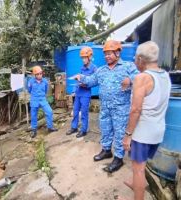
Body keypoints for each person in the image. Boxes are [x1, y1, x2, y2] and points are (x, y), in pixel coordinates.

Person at [75, 40, 138, 173]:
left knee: (120, 133)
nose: (107, 56)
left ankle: (118, 158)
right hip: (105, 108)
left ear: (118, 53)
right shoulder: (101, 70)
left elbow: (141, 78)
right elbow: (91, 81)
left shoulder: (128, 67)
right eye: (105, 54)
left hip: (120, 108)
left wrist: (131, 80)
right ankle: (106, 150)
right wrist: (81, 78)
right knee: (105, 129)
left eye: (110, 53)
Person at [122, 41, 171, 200]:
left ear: (141, 59)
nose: (135, 60)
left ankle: (138, 193)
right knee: (139, 165)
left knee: (139, 170)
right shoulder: (165, 75)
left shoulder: (142, 78)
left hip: (142, 133)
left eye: (136, 57)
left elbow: (136, 110)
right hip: (157, 131)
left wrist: (128, 134)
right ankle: (135, 183)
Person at [66, 46, 97, 138]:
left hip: (85, 94)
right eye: (82, 58)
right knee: (75, 111)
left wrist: (86, 84)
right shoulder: (82, 68)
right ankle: (74, 127)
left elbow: (95, 82)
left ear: (90, 57)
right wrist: (74, 91)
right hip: (78, 93)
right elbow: (78, 80)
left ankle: (83, 130)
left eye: (85, 57)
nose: (83, 60)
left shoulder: (94, 69)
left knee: (84, 112)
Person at [28, 66, 58, 138]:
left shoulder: (45, 81)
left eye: (40, 73)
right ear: (34, 75)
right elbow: (29, 90)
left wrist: (42, 96)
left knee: (49, 111)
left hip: (42, 99)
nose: (39, 75)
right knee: (33, 115)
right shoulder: (31, 82)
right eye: (37, 74)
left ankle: (50, 127)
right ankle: (34, 130)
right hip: (34, 100)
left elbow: (45, 90)